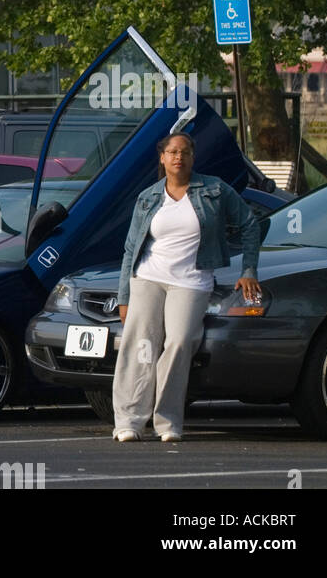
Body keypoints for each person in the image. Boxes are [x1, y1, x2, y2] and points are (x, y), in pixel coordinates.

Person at [112, 132, 262, 442]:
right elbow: (130, 250)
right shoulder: (148, 197)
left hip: (191, 281)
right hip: (148, 278)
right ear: (162, 158)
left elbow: (250, 224)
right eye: (172, 152)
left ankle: (167, 422)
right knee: (140, 346)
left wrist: (249, 270)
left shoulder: (215, 190)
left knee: (179, 343)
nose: (179, 157)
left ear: (193, 158)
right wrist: (124, 296)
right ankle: (129, 421)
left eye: (185, 152)